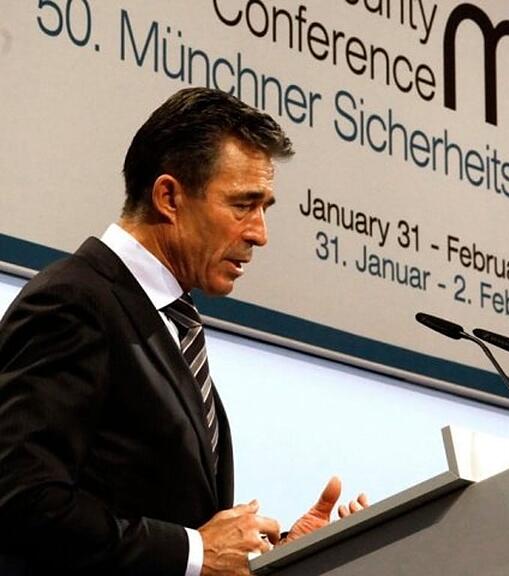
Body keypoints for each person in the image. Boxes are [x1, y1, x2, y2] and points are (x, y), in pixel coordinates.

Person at [0, 87, 367, 576]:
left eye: (265, 208)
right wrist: (194, 552)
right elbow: (20, 497)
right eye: (243, 205)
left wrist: (277, 554)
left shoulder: (167, 320)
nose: (260, 233)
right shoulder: (73, 301)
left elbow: (165, 518)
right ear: (169, 197)